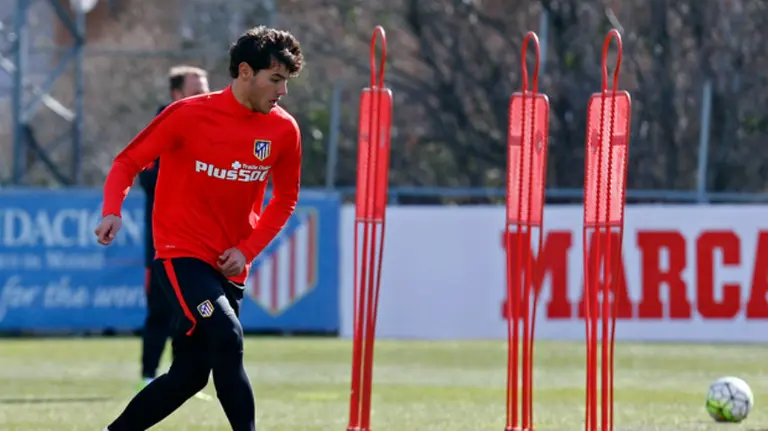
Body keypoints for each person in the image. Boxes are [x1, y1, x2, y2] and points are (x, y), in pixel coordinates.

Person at [95, 25, 304, 431]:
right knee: (228, 335)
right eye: (276, 79)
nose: (283, 91)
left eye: (286, 81)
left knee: (190, 375)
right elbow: (127, 162)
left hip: (231, 265)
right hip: (181, 255)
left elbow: (284, 199)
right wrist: (111, 210)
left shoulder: (284, 130)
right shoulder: (187, 114)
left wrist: (247, 250)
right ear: (245, 71)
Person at [138, 65, 210, 395]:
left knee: (195, 315)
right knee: (160, 311)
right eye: (197, 91)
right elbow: (146, 178)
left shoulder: (215, 127)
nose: (205, 96)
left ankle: (183, 377)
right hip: (163, 244)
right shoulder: (161, 128)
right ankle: (148, 376)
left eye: (206, 90)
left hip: (203, 243)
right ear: (177, 95)